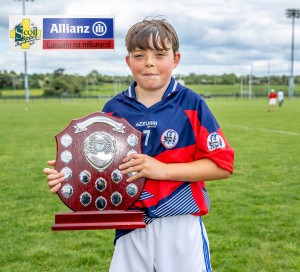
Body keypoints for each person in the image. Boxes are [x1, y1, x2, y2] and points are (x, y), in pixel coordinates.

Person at [44, 18, 234, 272]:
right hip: (130, 223)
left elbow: (221, 166)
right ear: (128, 61)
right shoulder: (113, 110)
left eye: (159, 54)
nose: (149, 62)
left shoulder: (192, 103)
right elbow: (101, 169)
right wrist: (68, 178)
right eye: (139, 55)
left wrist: (163, 170)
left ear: (175, 59)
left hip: (180, 223)